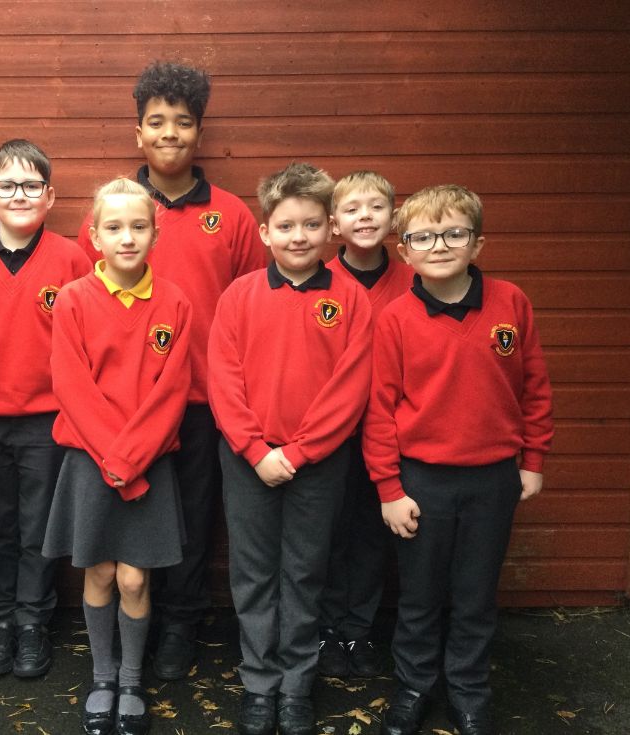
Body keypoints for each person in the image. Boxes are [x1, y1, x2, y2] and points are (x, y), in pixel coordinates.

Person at [77, 61, 266, 679]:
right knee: (130, 513)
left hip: (202, 401)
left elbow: (250, 308)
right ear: (138, 133)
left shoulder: (232, 216)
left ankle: (182, 622)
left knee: (188, 518)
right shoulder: (113, 213)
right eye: (156, 122)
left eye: (182, 122)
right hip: (122, 408)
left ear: (199, 134)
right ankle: (138, 625)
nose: (169, 133)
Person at [363, 185, 553, 735]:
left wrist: (533, 459)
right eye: (423, 236)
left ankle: (469, 690)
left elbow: (535, 388)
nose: (440, 245)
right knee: (419, 596)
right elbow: (380, 410)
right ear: (405, 251)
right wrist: (389, 490)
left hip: (493, 479)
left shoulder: (510, 303)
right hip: (422, 481)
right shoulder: (396, 318)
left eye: (454, 233)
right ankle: (414, 686)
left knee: (475, 594)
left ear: (477, 243)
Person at [208, 163, 373, 735]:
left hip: (318, 465)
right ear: (264, 232)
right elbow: (223, 380)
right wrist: (256, 451)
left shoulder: (351, 299)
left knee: (304, 572)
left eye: (310, 225)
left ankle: (297, 684)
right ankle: (259, 683)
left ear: (331, 229)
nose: (298, 237)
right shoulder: (239, 296)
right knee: (253, 574)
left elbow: (349, 390)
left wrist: (299, 453)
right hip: (247, 461)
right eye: (285, 226)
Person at [45, 178, 192, 735]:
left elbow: (171, 393)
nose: (126, 237)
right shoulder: (74, 299)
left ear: (155, 234)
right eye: (114, 227)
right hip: (91, 460)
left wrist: (130, 461)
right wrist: (114, 459)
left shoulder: (174, 302)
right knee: (101, 572)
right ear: (94, 236)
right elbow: (72, 385)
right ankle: (102, 676)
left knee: (134, 579)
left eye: (138, 226)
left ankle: (131, 679)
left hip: (147, 464)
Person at [0, 139, 92, 679]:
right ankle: (1, 618)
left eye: (31, 185)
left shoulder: (71, 259)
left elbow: (81, 337)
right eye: (7, 185)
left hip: (47, 421)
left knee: (38, 528)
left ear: (49, 196)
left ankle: (33, 621)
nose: (19, 195)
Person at [317, 171, 413, 679]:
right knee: (329, 534)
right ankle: (327, 630)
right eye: (352, 209)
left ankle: (358, 630)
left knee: (373, 537)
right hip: (333, 434)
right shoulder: (320, 279)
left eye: (376, 207)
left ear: (393, 218)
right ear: (334, 224)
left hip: (391, 434)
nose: (365, 217)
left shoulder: (415, 280)